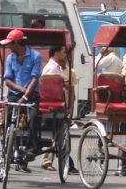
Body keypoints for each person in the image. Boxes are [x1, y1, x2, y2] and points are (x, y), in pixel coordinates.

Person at [1, 28, 42, 171]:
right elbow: (7, 80)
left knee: (33, 118)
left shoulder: (36, 56)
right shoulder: (10, 58)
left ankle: (31, 148)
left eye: (11, 44)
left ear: (18, 43)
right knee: (8, 119)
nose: (9, 47)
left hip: (32, 94)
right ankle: (7, 146)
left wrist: (26, 96)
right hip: (16, 93)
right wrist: (22, 91)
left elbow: (35, 78)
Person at [40, 44, 79, 175]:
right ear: (56, 53)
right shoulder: (49, 68)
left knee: (60, 134)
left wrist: (71, 109)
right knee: (54, 133)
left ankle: (55, 161)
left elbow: (72, 93)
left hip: (63, 107)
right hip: (49, 106)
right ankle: (51, 161)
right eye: (64, 52)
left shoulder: (70, 71)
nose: (66, 55)